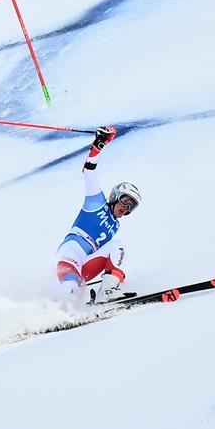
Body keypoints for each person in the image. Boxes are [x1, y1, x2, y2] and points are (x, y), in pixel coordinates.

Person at [54, 125, 142, 304]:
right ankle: (44, 317)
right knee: (70, 289)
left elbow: (107, 257)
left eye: (131, 207)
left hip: (87, 261)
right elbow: (88, 171)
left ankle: (107, 292)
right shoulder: (96, 203)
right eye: (126, 201)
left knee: (118, 247)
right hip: (71, 251)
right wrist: (98, 146)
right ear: (115, 196)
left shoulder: (116, 225)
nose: (126, 208)